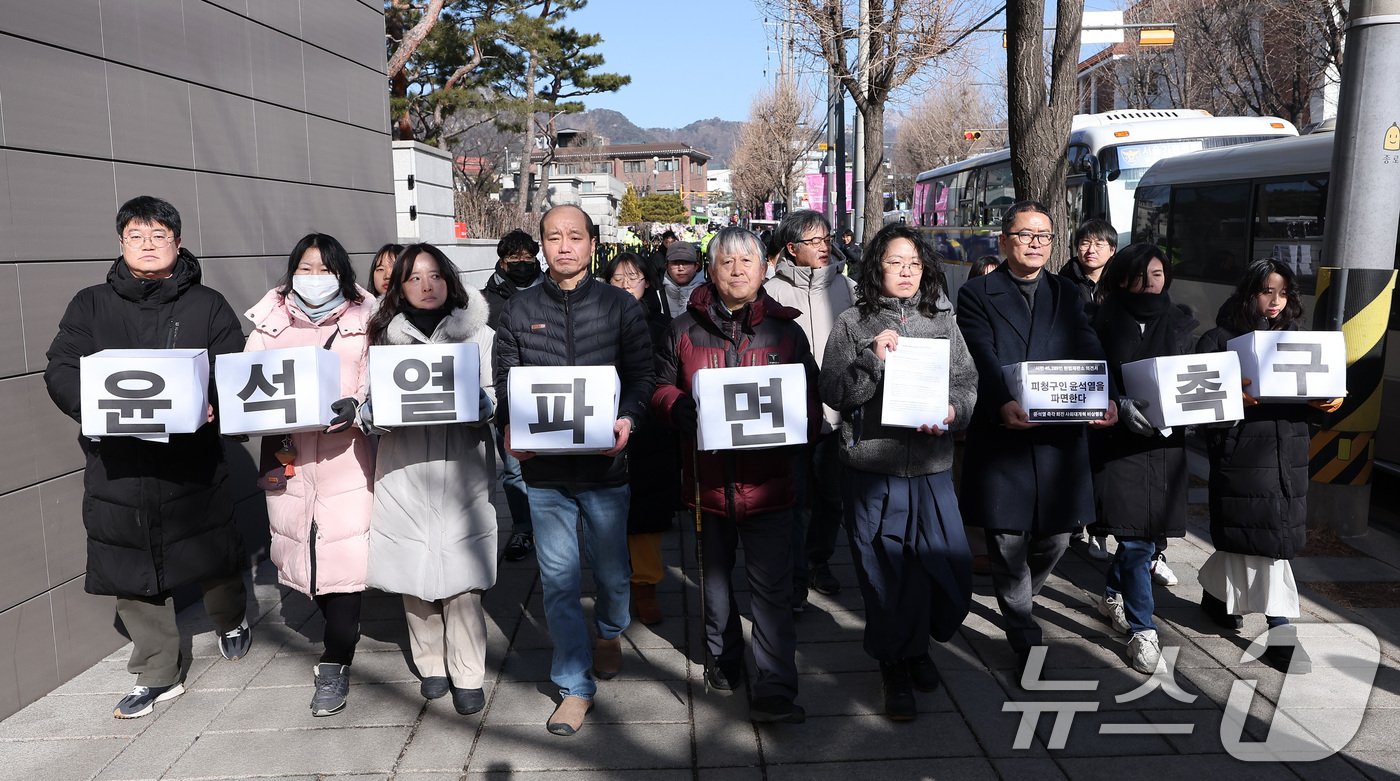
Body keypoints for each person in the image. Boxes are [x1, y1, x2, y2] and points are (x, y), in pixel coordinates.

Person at [44, 195, 252, 719]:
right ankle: (158, 672)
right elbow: (62, 367)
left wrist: (215, 405)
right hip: (120, 463)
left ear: (177, 244)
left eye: (159, 235)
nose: (148, 245)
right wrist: (90, 409)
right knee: (127, 564)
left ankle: (231, 617)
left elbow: (234, 370)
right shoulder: (90, 304)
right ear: (121, 244)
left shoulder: (208, 304)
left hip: (192, 458)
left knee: (213, 551)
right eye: (136, 235)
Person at [494, 204, 655, 736]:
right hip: (545, 476)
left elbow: (641, 376)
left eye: (575, 236)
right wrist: (509, 431)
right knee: (560, 581)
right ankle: (573, 684)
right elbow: (506, 382)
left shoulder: (619, 306)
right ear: (542, 245)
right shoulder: (517, 310)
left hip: (605, 469)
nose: (564, 246)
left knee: (612, 575)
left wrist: (629, 418)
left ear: (592, 243)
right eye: (553, 237)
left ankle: (610, 631)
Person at [652, 226, 819, 724]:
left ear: (764, 268)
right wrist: (676, 406)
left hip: (770, 484)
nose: (738, 270)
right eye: (726, 262)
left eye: (748, 261)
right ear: (711, 269)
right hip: (707, 484)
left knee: (771, 590)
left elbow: (809, 403)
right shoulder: (683, 329)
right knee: (716, 583)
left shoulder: (786, 332)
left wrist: (800, 422)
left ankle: (775, 687)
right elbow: (658, 388)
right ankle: (722, 657)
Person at [818, 224, 978, 720]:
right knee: (884, 572)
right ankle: (897, 661)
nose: (906, 272)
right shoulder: (852, 322)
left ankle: (918, 643)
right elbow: (833, 392)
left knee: (947, 567)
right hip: (873, 466)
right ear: (876, 268)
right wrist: (870, 359)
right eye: (895, 262)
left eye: (914, 262)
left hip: (931, 466)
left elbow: (967, 382)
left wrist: (955, 410)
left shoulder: (942, 320)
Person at [956, 200, 1118, 680]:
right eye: (1025, 235)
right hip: (1005, 432)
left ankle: (1021, 593)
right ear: (1005, 241)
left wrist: (1102, 394)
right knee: (1007, 538)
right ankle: (1023, 630)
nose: (1035, 243)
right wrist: (1000, 401)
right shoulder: (978, 293)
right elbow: (979, 354)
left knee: (1057, 537)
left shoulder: (1067, 293)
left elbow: (1086, 345)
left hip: (1058, 439)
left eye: (1044, 236)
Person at [243, 233, 377, 716]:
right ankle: (339, 633)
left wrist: (360, 406)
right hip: (287, 455)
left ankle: (336, 658)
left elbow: (382, 378)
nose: (315, 278)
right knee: (301, 550)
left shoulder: (370, 319)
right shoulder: (268, 325)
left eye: (326, 269)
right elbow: (249, 388)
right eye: (306, 267)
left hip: (349, 456)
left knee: (347, 557)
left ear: (343, 272)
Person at [363, 243, 498, 715]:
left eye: (435, 275)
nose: (426, 285)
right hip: (404, 468)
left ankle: (467, 671)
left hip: (463, 467)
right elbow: (367, 395)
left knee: (463, 579)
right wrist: (370, 412)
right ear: (398, 286)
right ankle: (431, 665)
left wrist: (486, 405)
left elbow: (492, 390)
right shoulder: (382, 335)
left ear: (450, 280)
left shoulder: (478, 334)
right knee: (412, 573)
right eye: (414, 277)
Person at [1194, 259, 1342, 672]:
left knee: (1256, 538)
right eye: (1265, 291)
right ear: (1248, 292)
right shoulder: (1218, 339)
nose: (1275, 301)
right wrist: (1230, 398)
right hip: (1241, 455)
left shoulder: (1303, 341)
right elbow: (1196, 407)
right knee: (1270, 546)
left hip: (1290, 453)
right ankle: (1281, 634)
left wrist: (1329, 400)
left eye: (1282, 292)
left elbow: (1316, 400)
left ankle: (1215, 597)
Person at [1086, 244, 1197, 675]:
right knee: (1135, 540)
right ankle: (1142, 629)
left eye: (1156, 274)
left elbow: (1200, 381)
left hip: (1166, 447)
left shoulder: (1184, 323)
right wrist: (1115, 401)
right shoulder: (1099, 322)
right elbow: (1089, 378)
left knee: (1146, 539)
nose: (1148, 284)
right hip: (1120, 447)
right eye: (1138, 276)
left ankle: (1113, 594)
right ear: (1120, 279)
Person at [766, 209, 857, 610]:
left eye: (826, 239)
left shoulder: (847, 287)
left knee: (831, 497)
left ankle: (820, 560)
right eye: (814, 241)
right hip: (790, 415)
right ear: (791, 248)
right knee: (792, 496)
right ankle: (793, 575)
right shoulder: (769, 291)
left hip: (836, 413)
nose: (825, 247)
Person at [604, 252, 679, 626]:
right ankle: (614, 586)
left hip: (651, 431)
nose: (624, 285)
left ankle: (646, 585)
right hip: (602, 428)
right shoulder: (594, 322)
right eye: (616, 279)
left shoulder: (666, 326)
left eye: (631, 278)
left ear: (646, 283)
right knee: (606, 516)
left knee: (647, 513)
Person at [482, 229, 542, 563]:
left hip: (545, 390)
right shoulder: (482, 300)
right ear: (501, 262)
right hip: (504, 393)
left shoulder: (551, 291)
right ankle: (522, 528)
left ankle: (548, 526)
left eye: (528, 257)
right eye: (514, 258)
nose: (522, 264)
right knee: (514, 468)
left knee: (550, 465)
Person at [1062, 219, 1118, 563]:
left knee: (1102, 456)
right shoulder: (1062, 283)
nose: (1091, 249)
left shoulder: (1122, 284)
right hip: (1073, 377)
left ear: (1112, 250)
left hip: (1110, 374)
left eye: (1099, 243)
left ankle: (1098, 527)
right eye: (1084, 242)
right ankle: (1074, 519)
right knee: (1074, 452)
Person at [660, 241, 705, 317]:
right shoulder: (656, 297)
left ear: (696, 266)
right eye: (675, 263)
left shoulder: (709, 295)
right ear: (666, 267)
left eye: (686, 263)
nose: (680, 268)